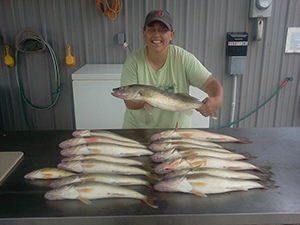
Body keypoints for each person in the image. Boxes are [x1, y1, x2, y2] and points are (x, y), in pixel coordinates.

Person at [120, 9, 223, 129]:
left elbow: (211, 83)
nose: (156, 35)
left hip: (176, 130)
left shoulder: (184, 58)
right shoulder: (133, 61)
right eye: (151, 29)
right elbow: (129, 103)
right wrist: (146, 99)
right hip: (138, 129)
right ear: (144, 33)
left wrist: (217, 99)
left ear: (171, 35)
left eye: (163, 30)